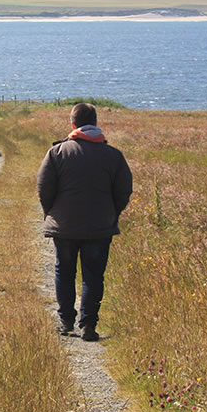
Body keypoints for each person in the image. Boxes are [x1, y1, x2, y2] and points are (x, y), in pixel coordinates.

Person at [37, 103, 132, 342]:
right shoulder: (114, 156)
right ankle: (88, 323)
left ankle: (66, 320)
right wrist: (113, 212)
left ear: (73, 124)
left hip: (65, 225)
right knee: (93, 275)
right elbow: (123, 190)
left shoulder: (57, 153)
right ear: (96, 123)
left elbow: (44, 187)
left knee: (64, 271)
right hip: (100, 227)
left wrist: (51, 212)